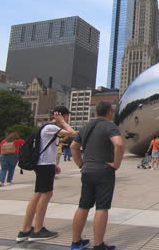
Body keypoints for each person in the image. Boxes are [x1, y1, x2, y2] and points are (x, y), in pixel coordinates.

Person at [70, 101, 125, 250]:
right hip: (103, 171)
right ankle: (98, 245)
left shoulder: (86, 126)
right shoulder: (110, 126)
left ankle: (76, 243)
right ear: (109, 112)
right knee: (102, 208)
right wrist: (116, 164)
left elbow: (73, 147)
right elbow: (119, 144)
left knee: (83, 206)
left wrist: (81, 164)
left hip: (87, 171)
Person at [16, 106, 76, 242]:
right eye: (67, 116)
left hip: (45, 165)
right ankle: (38, 229)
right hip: (44, 166)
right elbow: (72, 133)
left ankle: (25, 229)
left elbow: (49, 147)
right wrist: (62, 121)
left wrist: (54, 165)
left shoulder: (49, 129)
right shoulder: (50, 127)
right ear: (63, 115)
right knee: (46, 194)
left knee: (38, 194)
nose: (67, 118)